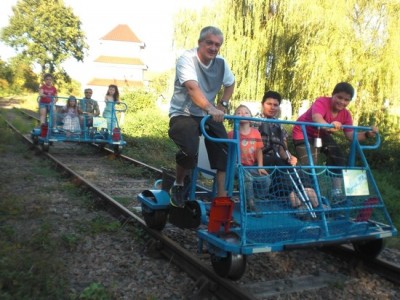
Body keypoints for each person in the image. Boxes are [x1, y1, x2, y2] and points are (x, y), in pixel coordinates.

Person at [168, 26, 235, 207]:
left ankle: (221, 198)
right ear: (200, 43)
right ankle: (179, 184)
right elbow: (192, 88)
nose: (213, 48)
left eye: (217, 45)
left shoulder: (221, 62)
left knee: (224, 150)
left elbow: (231, 83)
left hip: (207, 114)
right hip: (183, 113)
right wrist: (211, 108)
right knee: (189, 150)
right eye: (209, 43)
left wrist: (223, 104)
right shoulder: (187, 59)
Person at [292, 82, 378, 200]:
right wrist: (329, 125)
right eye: (339, 97)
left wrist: (368, 134)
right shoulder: (321, 102)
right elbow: (317, 118)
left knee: (338, 156)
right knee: (310, 163)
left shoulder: (346, 114)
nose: (342, 102)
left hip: (320, 135)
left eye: (346, 100)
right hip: (303, 133)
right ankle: (307, 194)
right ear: (333, 95)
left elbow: (351, 136)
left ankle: (336, 193)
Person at [259, 91, 319, 210]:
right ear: (263, 104)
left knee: (296, 167)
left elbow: (283, 149)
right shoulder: (255, 123)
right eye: (269, 104)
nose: (272, 107)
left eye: (275, 105)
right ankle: (296, 204)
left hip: (277, 159)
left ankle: (315, 203)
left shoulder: (279, 126)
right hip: (261, 158)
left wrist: (289, 157)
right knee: (278, 163)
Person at [228, 105, 268, 212]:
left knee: (266, 179)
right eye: (239, 112)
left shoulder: (255, 132)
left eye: (246, 112)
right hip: (236, 166)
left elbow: (259, 150)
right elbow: (226, 152)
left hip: (250, 166)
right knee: (247, 177)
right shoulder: (231, 134)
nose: (242, 114)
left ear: (250, 116)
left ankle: (258, 198)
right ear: (234, 116)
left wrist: (260, 166)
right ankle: (250, 203)